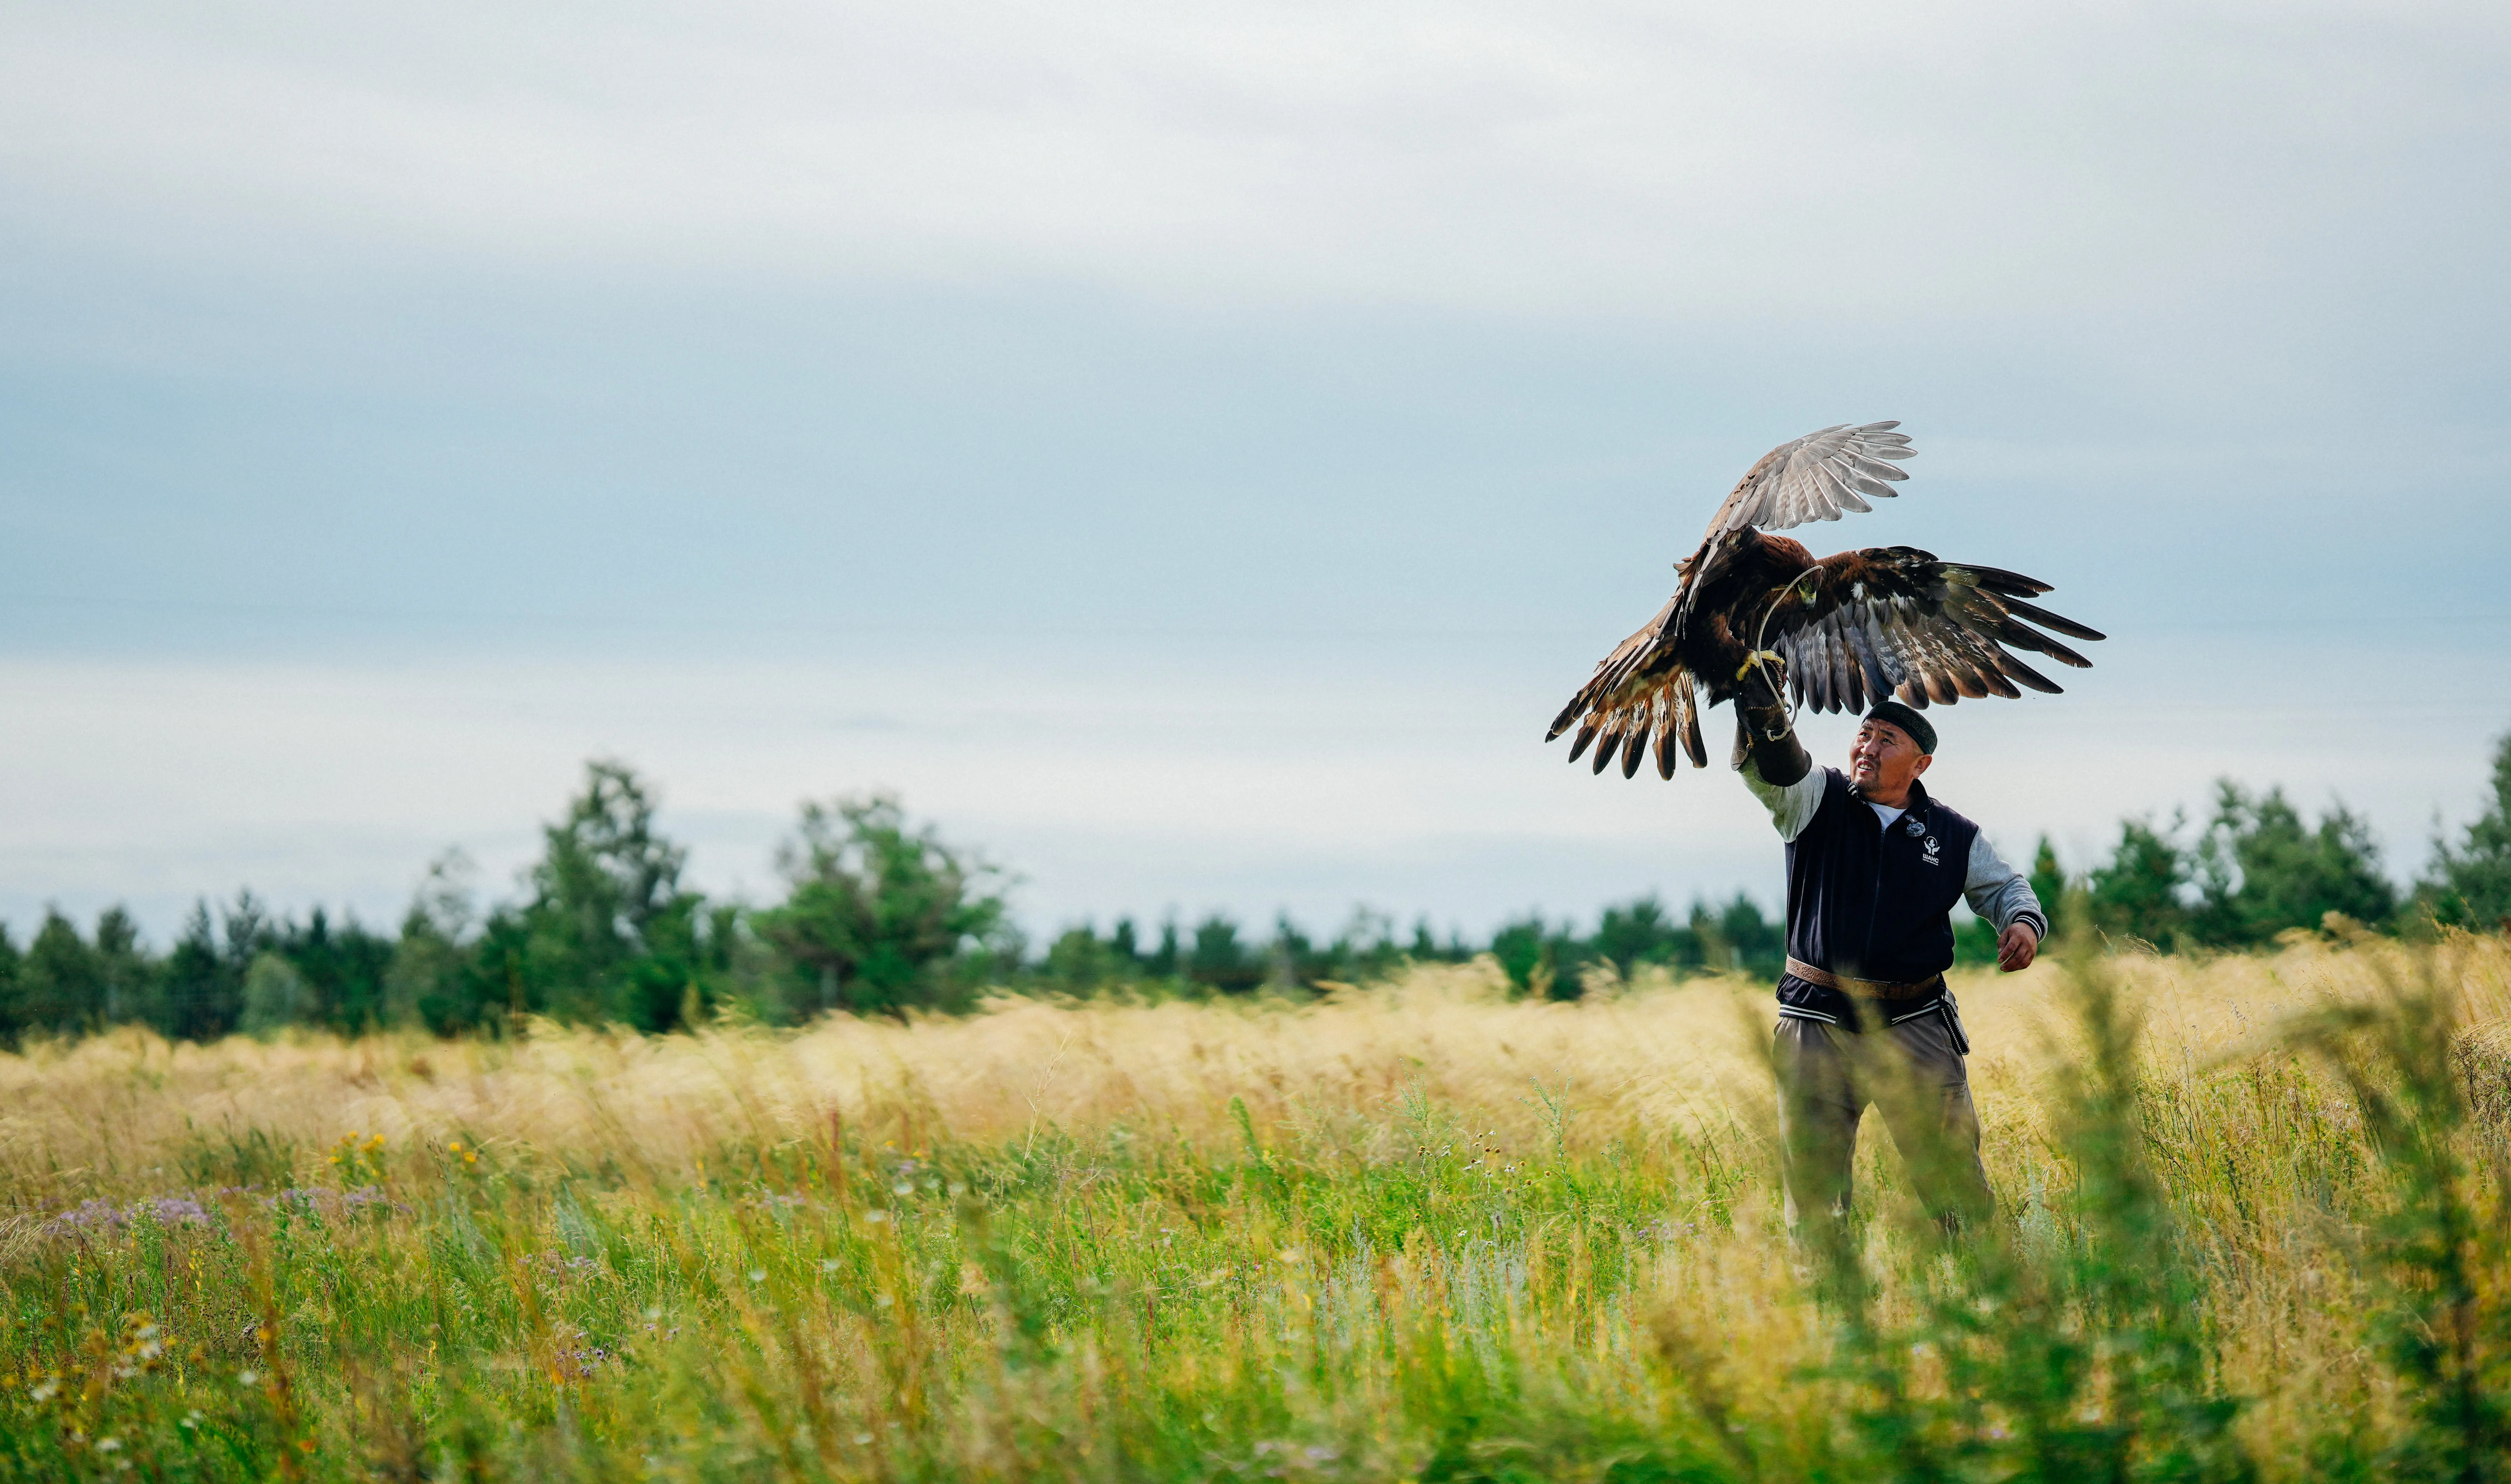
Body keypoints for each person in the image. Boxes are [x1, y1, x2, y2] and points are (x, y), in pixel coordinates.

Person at [1732, 675, 2046, 1238]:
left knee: (1955, 1187)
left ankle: (1981, 1295)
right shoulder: (1813, 799)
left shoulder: (1952, 835)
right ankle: (1828, 1308)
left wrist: (2022, 922)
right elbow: (1776, 763)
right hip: (1818, 1023)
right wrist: (1755, 698)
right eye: (1864, 734)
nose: (1867, 748)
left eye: (1886, 741)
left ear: (1919, 765)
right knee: (1815, 1196)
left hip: (1914, 1022)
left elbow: (2005, 888)